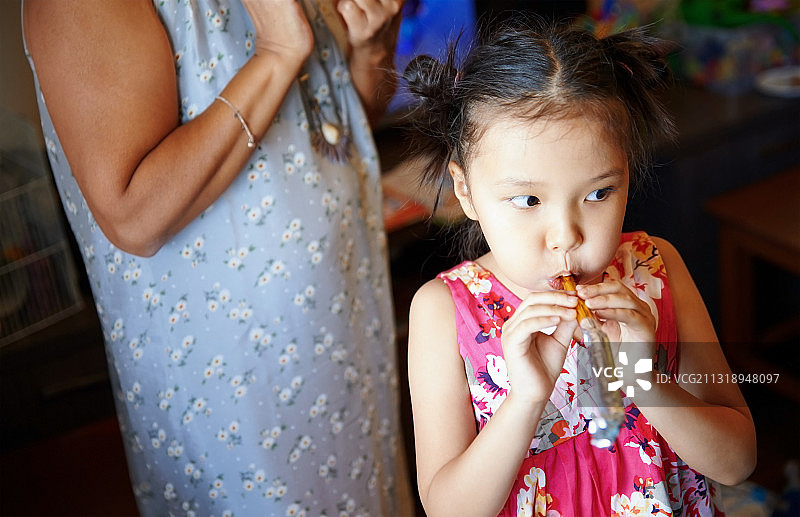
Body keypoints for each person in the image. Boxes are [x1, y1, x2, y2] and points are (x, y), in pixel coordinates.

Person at [22, 0, 414, 515]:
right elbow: (134, 216)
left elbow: (337, 129)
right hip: (234, 389)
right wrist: (277, 54)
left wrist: (370, 47)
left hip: (345, 340)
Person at [403, 15, 756, 517]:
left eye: (598, 193)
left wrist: (644, 381)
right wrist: (527, 397)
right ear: (466, 191)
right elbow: (448, 510)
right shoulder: (444, 312)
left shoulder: (656, 271)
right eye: (527, 199)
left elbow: (738, 461)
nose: (566, 236)